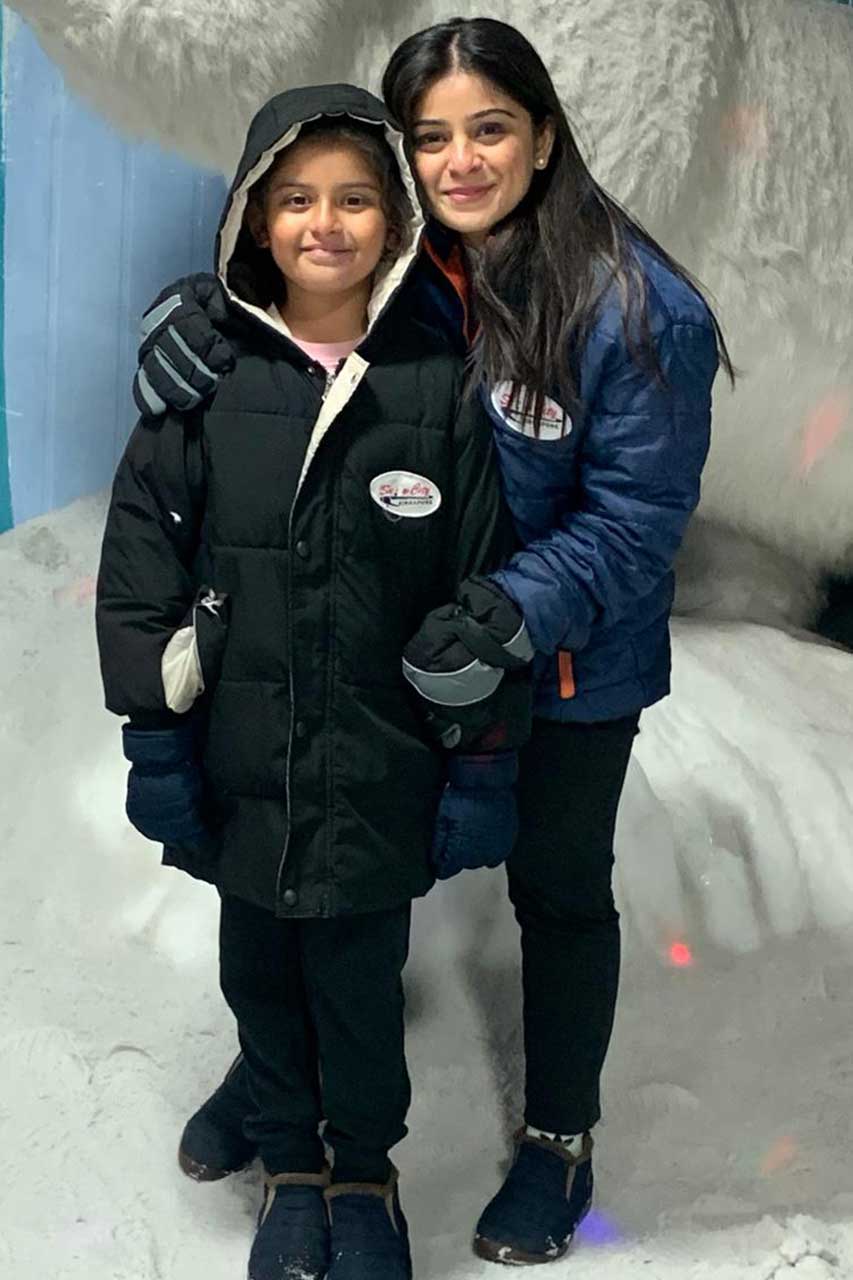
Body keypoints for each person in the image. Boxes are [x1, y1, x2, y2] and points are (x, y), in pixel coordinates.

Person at [129, 18, 733, 1269]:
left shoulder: (635, 308)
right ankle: (281, 1075)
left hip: (564, 668)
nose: (460, 160)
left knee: (555, 892)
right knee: (327, 848)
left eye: (490, 128)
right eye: (431, 136)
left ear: (545, 134)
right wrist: (203, 311)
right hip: (406, 642)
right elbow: (310, 314)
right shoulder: (431, 269)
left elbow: (635, 523)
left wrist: (512, 612)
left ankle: (560, 1135)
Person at [96, 82, 533, 1280]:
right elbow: (143, 567)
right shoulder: (205, 386)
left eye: (352, 200)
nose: (323, 225)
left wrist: (481, 760)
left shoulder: (437, 395)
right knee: (261, 973)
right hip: (244, 765)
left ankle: (363, 1172)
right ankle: (289, 1161)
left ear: (395, 223)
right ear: (254, 218)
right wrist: (155, 737)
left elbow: (480, 590)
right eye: (295, 199)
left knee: (355, 981)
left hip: (377, 771)